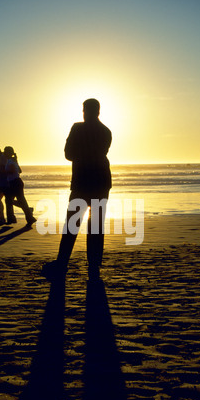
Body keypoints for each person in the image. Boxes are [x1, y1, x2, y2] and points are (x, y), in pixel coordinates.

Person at [41, 98, 112, 281]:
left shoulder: (77, 128)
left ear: (86, 111)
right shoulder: (106, 131)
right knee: (96, 224)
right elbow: (99, 153)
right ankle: (94, 265)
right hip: (101, 180)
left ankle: (62, 263)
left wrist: (81, 154)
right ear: (98, 111)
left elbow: (68, 154)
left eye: (83, 110)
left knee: (72, 224)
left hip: (82, 180)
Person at [4, 146, 36, 226]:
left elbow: (11, 171)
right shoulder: (12, 160)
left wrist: (1, 172)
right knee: (15, 201)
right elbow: (20, 171)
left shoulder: (11, 161)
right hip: (15, 182)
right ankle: (29, 215)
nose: (4, 153)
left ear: (8, 153)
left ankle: (26, 215)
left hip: (15, 183)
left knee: (10, 200)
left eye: (5, 151)